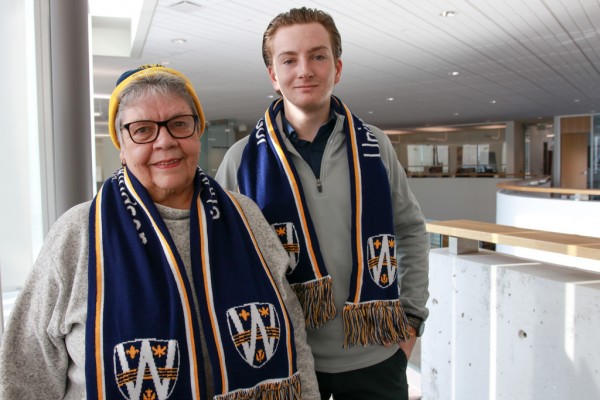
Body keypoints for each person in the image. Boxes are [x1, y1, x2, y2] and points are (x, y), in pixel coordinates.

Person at [0, 65, 320, 399]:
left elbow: (292, 335)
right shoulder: (78, 234)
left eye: (179, 124)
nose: (165, 141)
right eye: (142, 130)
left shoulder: (246, 217)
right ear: (121, 144)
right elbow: (25, 372)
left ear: (198, 132)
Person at [215, 7, 429, 400]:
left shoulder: (375, 146)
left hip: (376, 355)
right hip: (287, 361)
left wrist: (412, 321)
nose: (305, 70)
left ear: (338, 67)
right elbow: (220, 260)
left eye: (318, 56)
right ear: (273, 75)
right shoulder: (240, 160)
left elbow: (412, 230)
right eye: (289, 59)